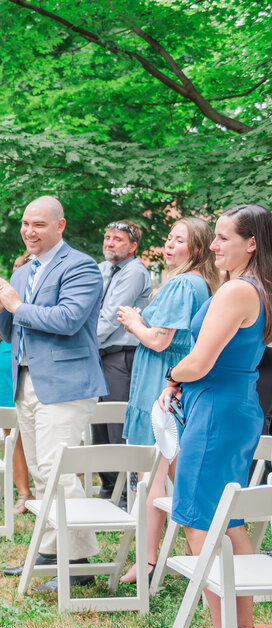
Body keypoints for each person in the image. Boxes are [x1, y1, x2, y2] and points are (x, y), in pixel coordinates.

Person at [161, 204, 272, 628]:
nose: (214, 245)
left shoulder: (235, 292)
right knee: (229, 517)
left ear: (252, 243)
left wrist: (173, 374)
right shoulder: (259, 287)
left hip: (215, 412)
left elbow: (200, 361)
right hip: (237, 406)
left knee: (199, 519)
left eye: (225, 237)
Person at [0, 195, 107, 593]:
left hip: (66, 383)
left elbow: (69, 320)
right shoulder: (21, 273)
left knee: (57, 469)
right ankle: (52, 552)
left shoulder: (82, 266)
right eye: (25, 223)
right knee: (39, 469)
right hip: (25, 379)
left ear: (60, 226)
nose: (29, 231)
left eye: (38, 224)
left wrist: (15, 305)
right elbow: (10, 329)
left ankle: (79, 561)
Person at [115, 218, 218, 584]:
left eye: (180, 240)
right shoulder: (196, 283)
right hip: (170, 383)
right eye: (169, 238)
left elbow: (158, 339)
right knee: (179, 471)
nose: (170, 244)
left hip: (160, 385)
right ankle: (201, 550)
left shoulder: (182, 284)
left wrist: (132, 321)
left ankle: (147, 561)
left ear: (197, 249)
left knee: (151, 474)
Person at [92, 219, 153, 498]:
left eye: (117, 239)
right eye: (107, 237)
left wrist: (84, 345)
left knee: (118, 423)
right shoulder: (102, 268)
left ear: (133, 246)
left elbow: (112, 317)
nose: (109, 243)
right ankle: (108, 486)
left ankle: (127, 493)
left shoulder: (135, 272)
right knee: (99, 424)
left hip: (121, 355)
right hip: (100, 354)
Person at [0, 314, 32, 508]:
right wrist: (8, 311)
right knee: (10, 433)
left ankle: (48, 490)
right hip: (5, 364)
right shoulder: (7, 295)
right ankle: (24, 493)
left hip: (34, 362)